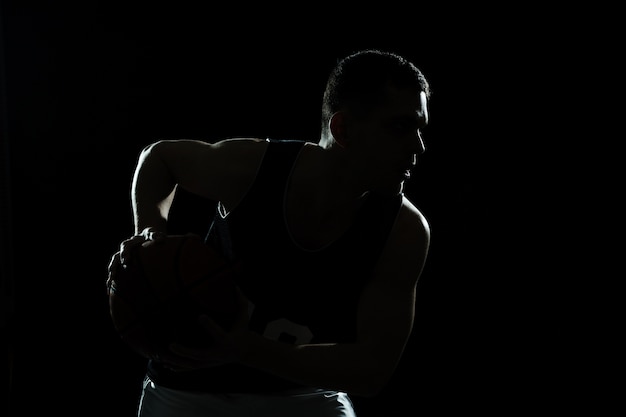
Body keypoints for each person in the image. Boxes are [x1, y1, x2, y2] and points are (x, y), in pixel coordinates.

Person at [107, 48, 432, 417]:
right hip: (188, 386)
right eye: (401, 127)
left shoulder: (403, 231)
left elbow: (372, 371)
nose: (418, 147)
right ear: (342, 129)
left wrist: (244, 348)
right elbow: (159, 157)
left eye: (421, 129)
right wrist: (150, 232)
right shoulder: (258, 169)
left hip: (303, 395)